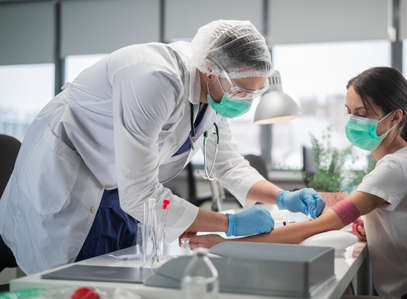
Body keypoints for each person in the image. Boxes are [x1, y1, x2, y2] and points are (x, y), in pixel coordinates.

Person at [0, 20, 324, 274]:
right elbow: (140, 194)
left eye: (252, 94)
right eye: (240, 90)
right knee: (75, 281)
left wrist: (281, 197)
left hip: (118, 191)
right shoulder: (153, 77)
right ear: (212, 69)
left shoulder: (211, 96)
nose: (245, 101)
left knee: (120, 275)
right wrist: (231, 224)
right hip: (69, 181)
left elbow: (227, 164)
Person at [189, 67, 407, 299]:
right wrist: (367, 224)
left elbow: (312, 229)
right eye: (349, 112)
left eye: (362, 113)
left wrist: (226, 245)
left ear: (395, 118)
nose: (353, 122)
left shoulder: (394, 168)